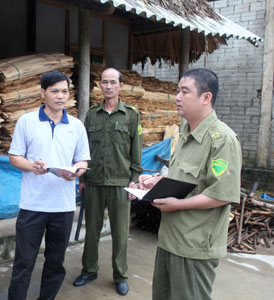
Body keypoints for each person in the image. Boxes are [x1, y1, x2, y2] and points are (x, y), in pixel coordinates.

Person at [139, 68, 242, 300]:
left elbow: (222, 194)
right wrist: (158, 181)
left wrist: (177, 205)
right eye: (177, 91)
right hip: (170, 239)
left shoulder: (222, 139)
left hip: (194, 246)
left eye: (185, 91)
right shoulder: (185, 132)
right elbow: (185, 179)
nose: (177, 97)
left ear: (206, 98)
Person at [7, 70, 90, 300]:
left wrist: (77, 172)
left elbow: (82, 160)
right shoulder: (27, 121)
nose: (61, 96)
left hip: (62, 207)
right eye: (55, 91)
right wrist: (32, 166)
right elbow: (14, 157)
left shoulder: (76, 126)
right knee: (23, 263)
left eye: (65, 91)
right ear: (42, 93)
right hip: (32, 205)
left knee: (56, 262)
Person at [73, 68, 142, 296]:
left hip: (120, 184)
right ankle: (89, 270)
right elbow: (84, 150)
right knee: (91, 230)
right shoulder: (92, 114)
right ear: (99, 85)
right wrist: (82, 178)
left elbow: (136, 152)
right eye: (104, 82)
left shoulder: (131, 115)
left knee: (120, 234)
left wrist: (134, 180)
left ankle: (120, 275)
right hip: (93, 182)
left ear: (121, 85)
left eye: (113, 82)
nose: (108, 86)